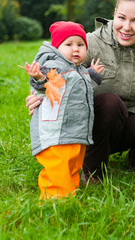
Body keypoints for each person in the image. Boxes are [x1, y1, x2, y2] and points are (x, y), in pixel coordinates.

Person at [26, 0, 135, 186]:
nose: (126, 27)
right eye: (121, 18)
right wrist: (39, 96)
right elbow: (58, 73)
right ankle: (92, 170)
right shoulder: (89, 42)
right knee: (111, 102)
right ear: (114, 15)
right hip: (96, 119)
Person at [25, 21, 104, 199]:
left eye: (80, 44)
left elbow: (82, 85)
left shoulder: (79, 70)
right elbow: (45, 83)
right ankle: (55, 202)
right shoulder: (54, 66)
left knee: (74, 164)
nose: (75, 49)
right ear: (57, 47)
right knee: (58, 165)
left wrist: (93, 74)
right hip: (56, 131)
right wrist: (38, 76)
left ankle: (70, 193)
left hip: (75, 130)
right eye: (69, 44)